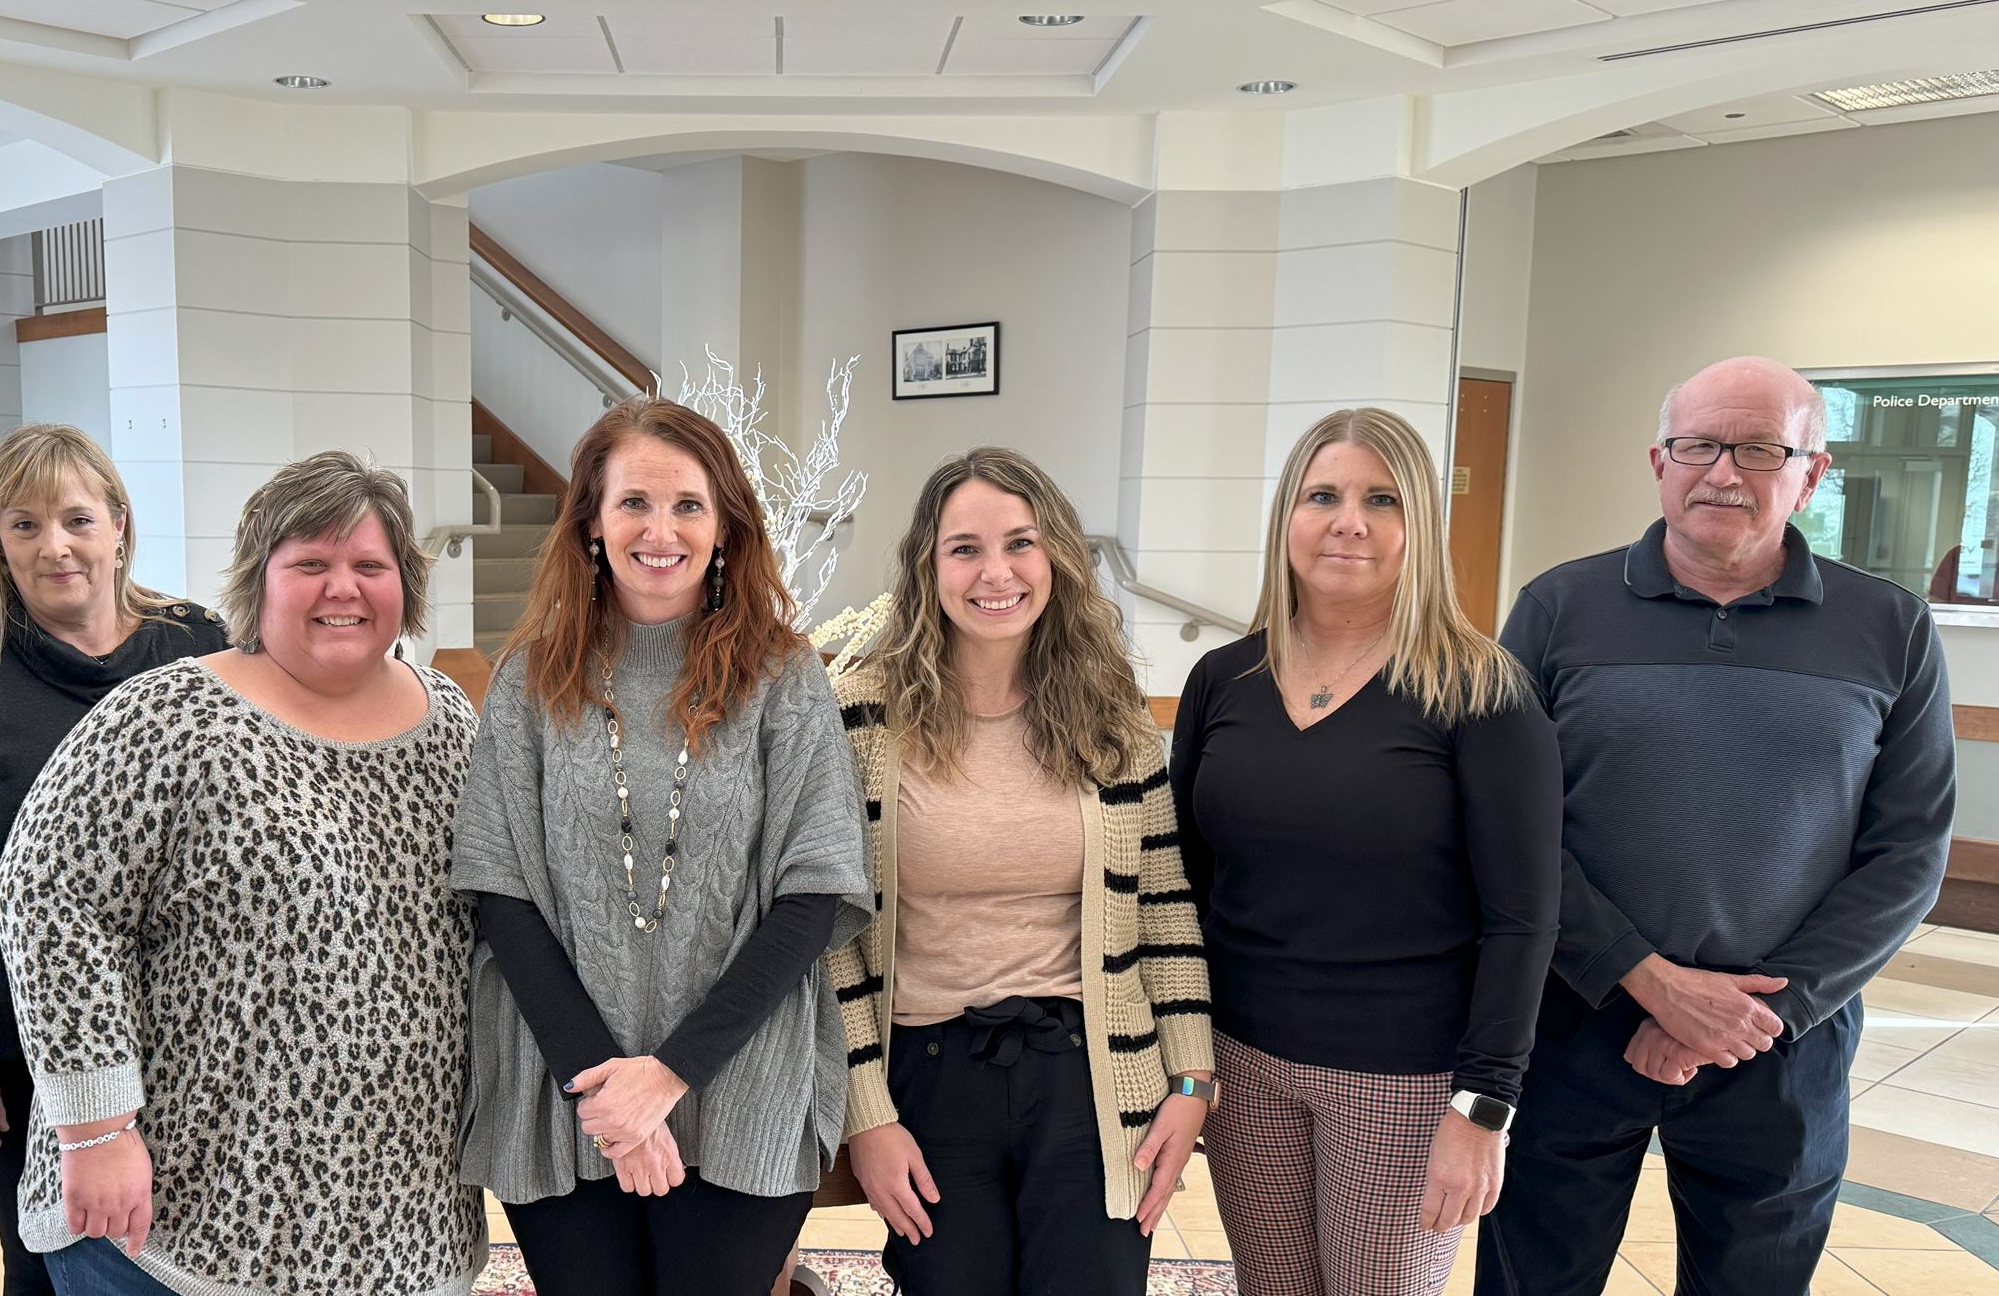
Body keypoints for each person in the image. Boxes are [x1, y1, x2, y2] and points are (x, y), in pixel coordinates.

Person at [1478, 357, 1956, 1296]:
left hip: (1781, 1043)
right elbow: (1502, 825)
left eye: (1760, 449)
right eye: (1699, 446)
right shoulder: (1557, 609)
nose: (1724, 472)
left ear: (1812, 473)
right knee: (1533, 1277)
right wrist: (1644, 979)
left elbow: (1909, 852)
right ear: (1659, 461)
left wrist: (1753, 1015)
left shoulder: (1890, 626)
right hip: (1574, 1022)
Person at [0, 452, 484, 1296]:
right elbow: (45, 897)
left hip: (400, 1215)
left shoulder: (452, 723)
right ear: (259, 583)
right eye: (310, 565)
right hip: (183, 1215)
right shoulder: (170, 715)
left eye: (371, 565)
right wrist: (95, 1127)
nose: (344, 589)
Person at [453, 397, 872, 1296]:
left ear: (725, 527)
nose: (660, 530)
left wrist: (670, 1076)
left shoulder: (784, 676)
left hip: (741, 1077)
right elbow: (498, 890)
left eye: (688, 505)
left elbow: (815, 893)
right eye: (633, 502)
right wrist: (608, 1095)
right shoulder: (528, 677)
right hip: (562, 1086)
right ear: (592, 525)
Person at [1172, 407, 1561, 1295]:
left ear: (1417, 525)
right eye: (1324, 495)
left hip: (1407, 1081)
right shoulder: (1222, 680)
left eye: (1381, 498)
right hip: (1243, 1063)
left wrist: (1482, 1109)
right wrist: (1184, 1061)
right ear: (1288, 518)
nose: (1349, 520)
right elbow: (1184, 883)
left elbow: (1524, 920)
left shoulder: (1481, 690)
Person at [823, 448, 1213, 1295]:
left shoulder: (1113, 720)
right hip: (925, 1077)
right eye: (964, 548)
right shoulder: (858, 714)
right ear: (927, 567)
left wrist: (1189, 1084)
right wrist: (867, 1116)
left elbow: (1166, 911)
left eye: (1020, 544)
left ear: (1057, 558)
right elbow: (830, 939)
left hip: (1093, 1075)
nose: (994, 572)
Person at [0, 424, 227, 1296]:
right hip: (18, 1041)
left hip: (192, 1037)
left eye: (76, 518)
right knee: (45, 1260)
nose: (55, 546)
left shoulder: (200, 644)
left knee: (184, 1264)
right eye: (23, 525)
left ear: (118, 523)